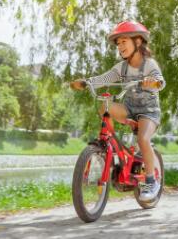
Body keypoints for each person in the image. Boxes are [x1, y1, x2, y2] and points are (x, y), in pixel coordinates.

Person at [70, 21, 166, 202]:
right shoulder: (120, 68)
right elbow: (103, 79)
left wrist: (152, 82)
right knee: (105, 106)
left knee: (143, 139)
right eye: (118, 43)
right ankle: (107, 143)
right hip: (129, 109)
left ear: (138, 42)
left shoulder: (149, 64)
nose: (120, 46)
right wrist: (86, 82)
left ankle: (151, 181)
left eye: (124, 42)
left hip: (149, 112)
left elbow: (160, 82)